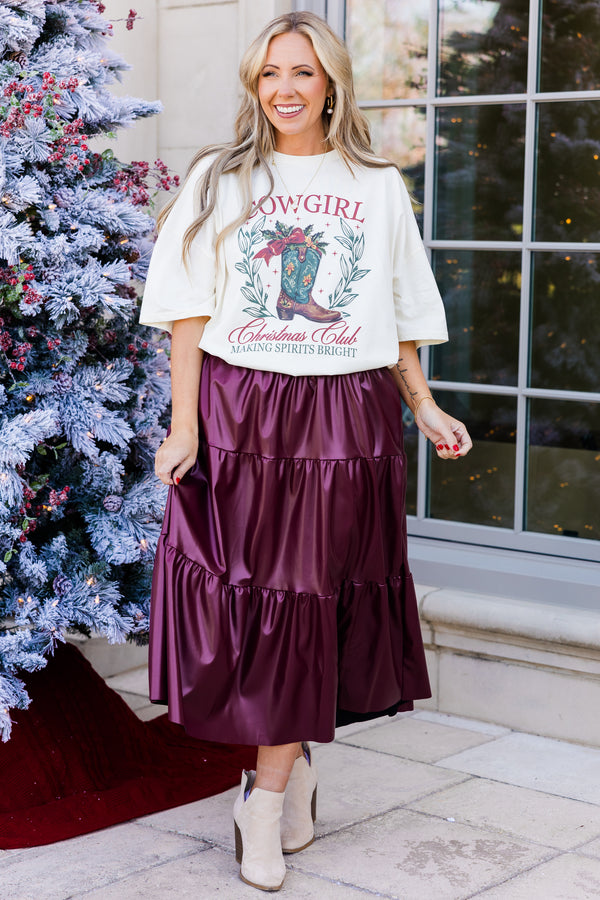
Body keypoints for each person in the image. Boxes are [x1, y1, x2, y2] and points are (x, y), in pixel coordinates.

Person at [139, 11, 472, 893]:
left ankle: (264, 796)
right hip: (242, 410)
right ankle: (290, 770)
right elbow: (187, 314)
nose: (285, 90)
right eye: (270, 74)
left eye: (303, 73)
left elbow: (396, 311)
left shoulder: (376, 185)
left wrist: (424, 404)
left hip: (343, 417)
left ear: (332, 85)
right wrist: (184, 426)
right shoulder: (220, 178)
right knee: (255, 603)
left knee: (310, 598)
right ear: (255, 85)